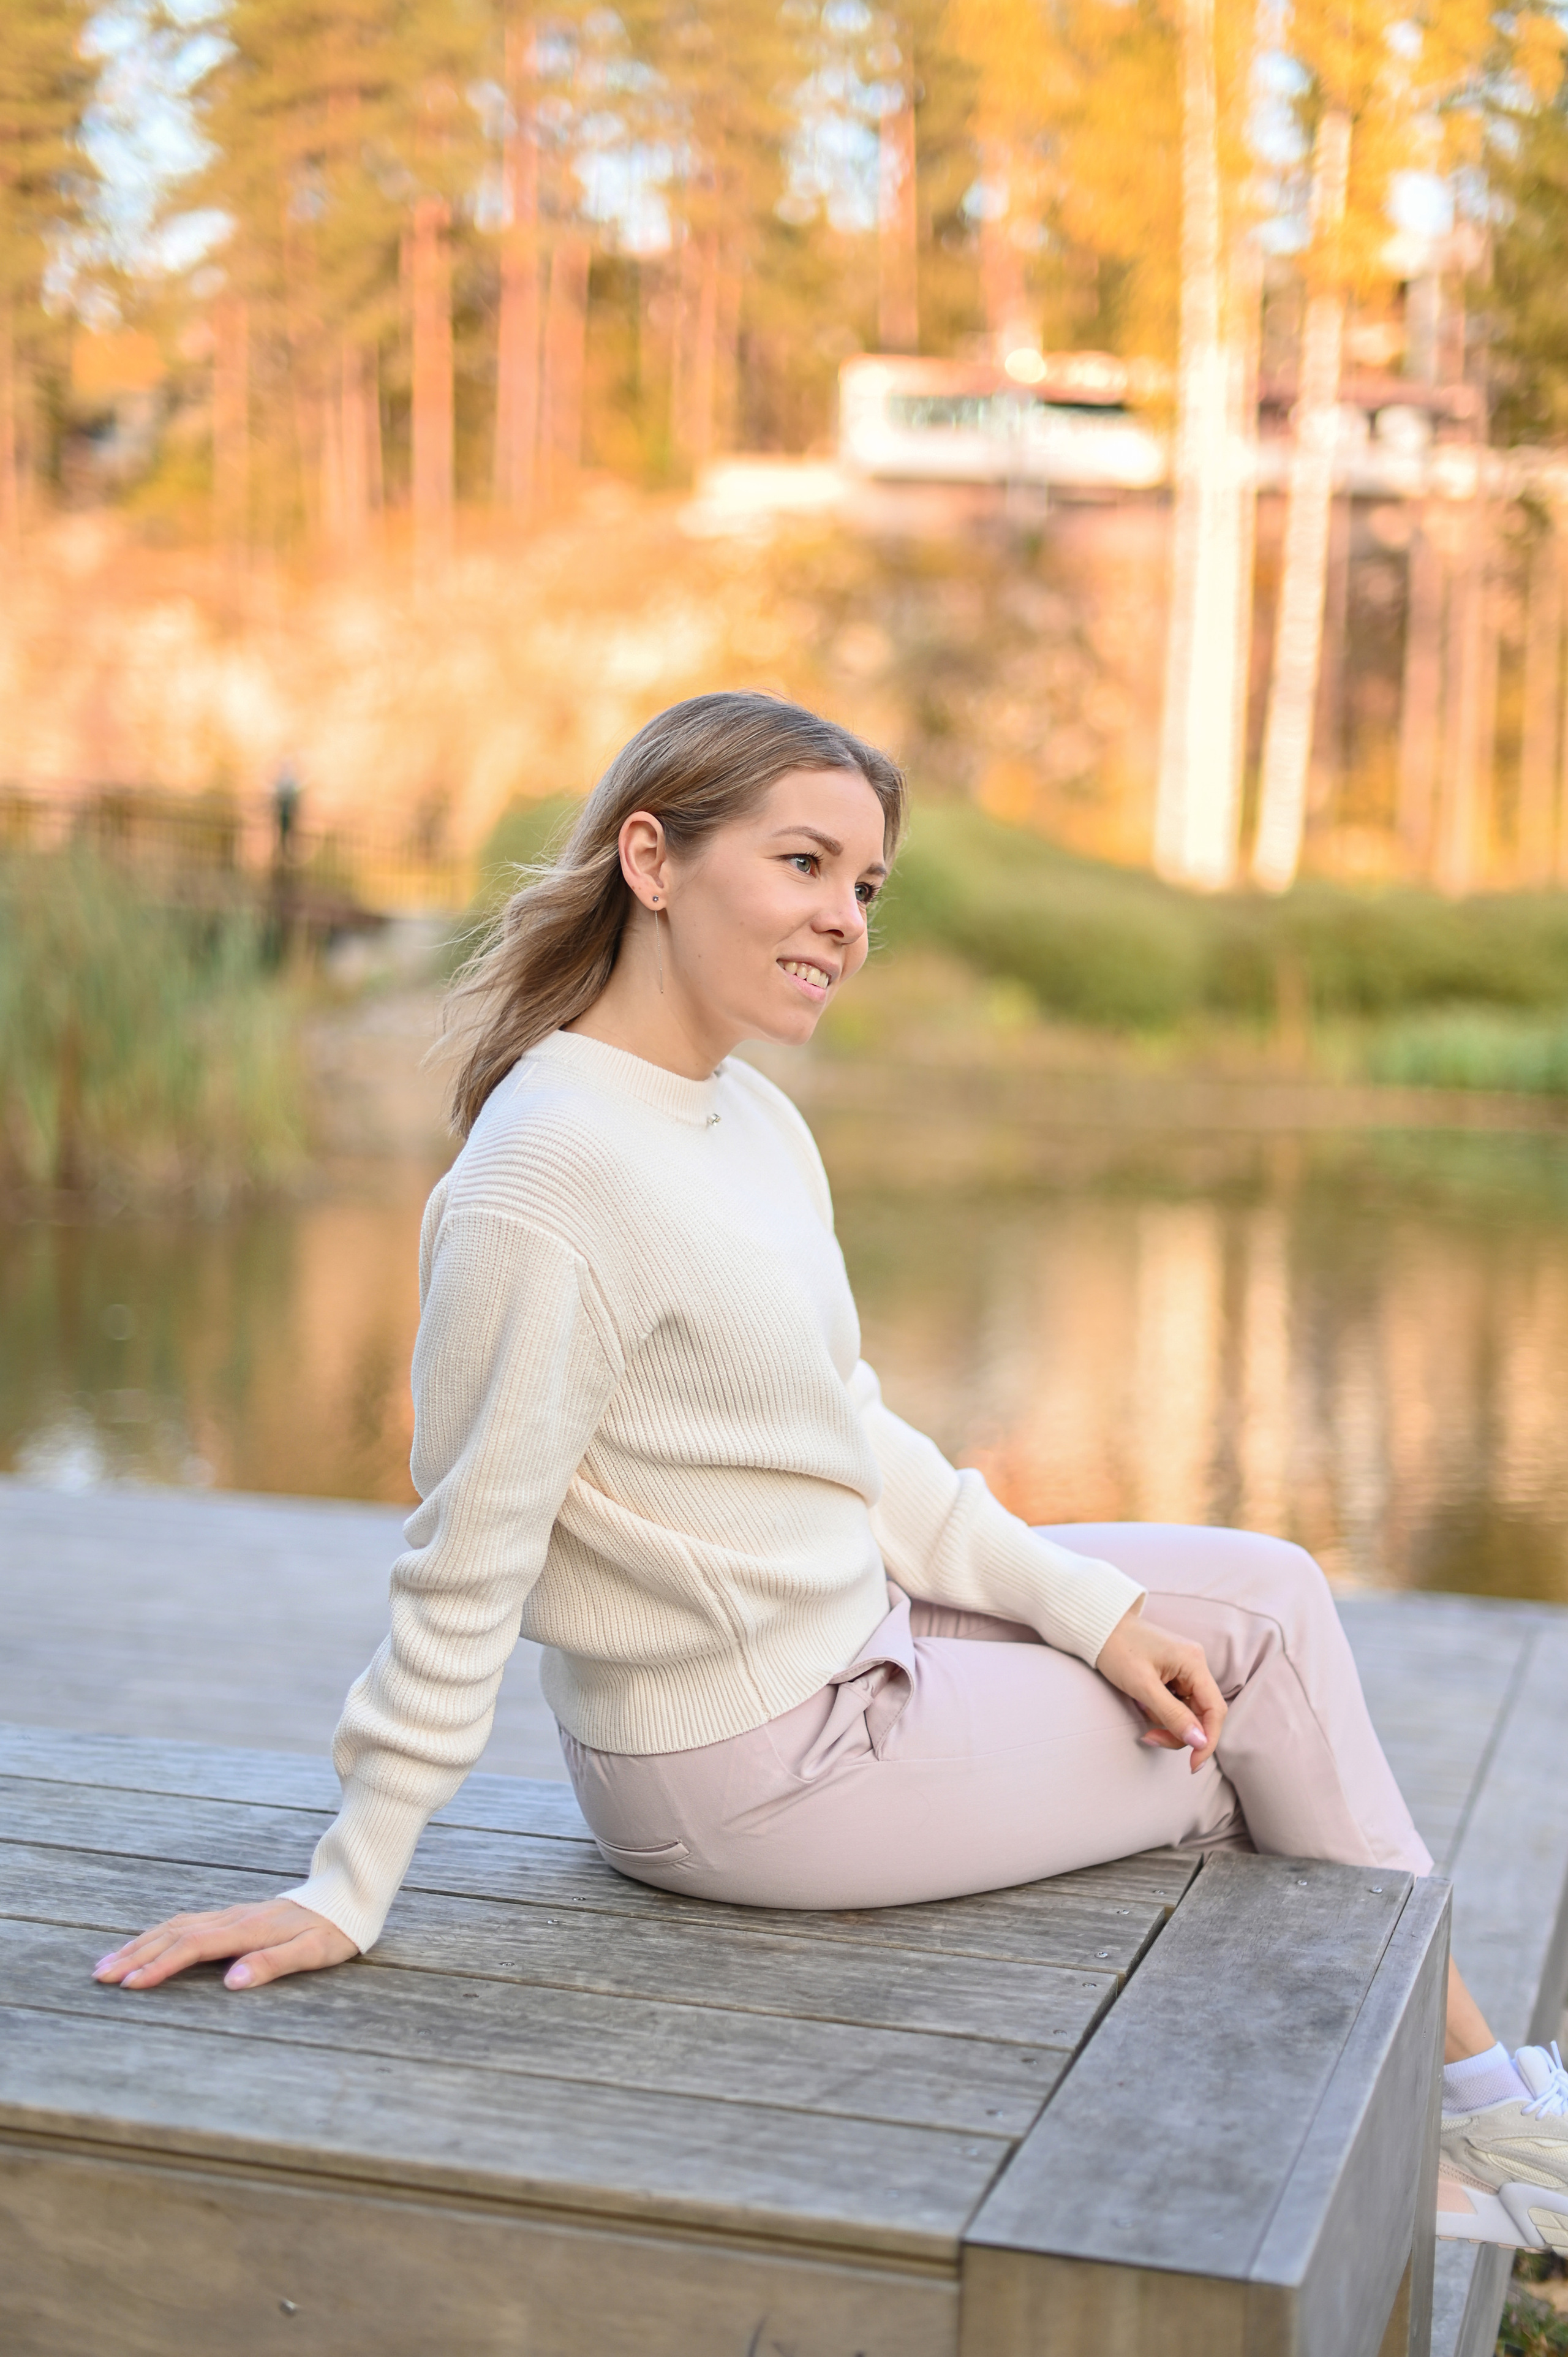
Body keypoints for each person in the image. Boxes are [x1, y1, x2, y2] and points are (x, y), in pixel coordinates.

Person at [96, 691, 1568, 2253]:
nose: (840, 919)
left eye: (863, 886)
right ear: (651, 860)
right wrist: (350, 1881)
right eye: (803, 863)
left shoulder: (744, 1115)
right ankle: (1469, 2140)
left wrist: (1083, 1607)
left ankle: (1463, 2130)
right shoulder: (546, 1176)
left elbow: (850, 1437)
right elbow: (469, 1551)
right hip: (744, 1767)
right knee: (1244, 1732)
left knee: (1251, 1606)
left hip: (855, 1655)